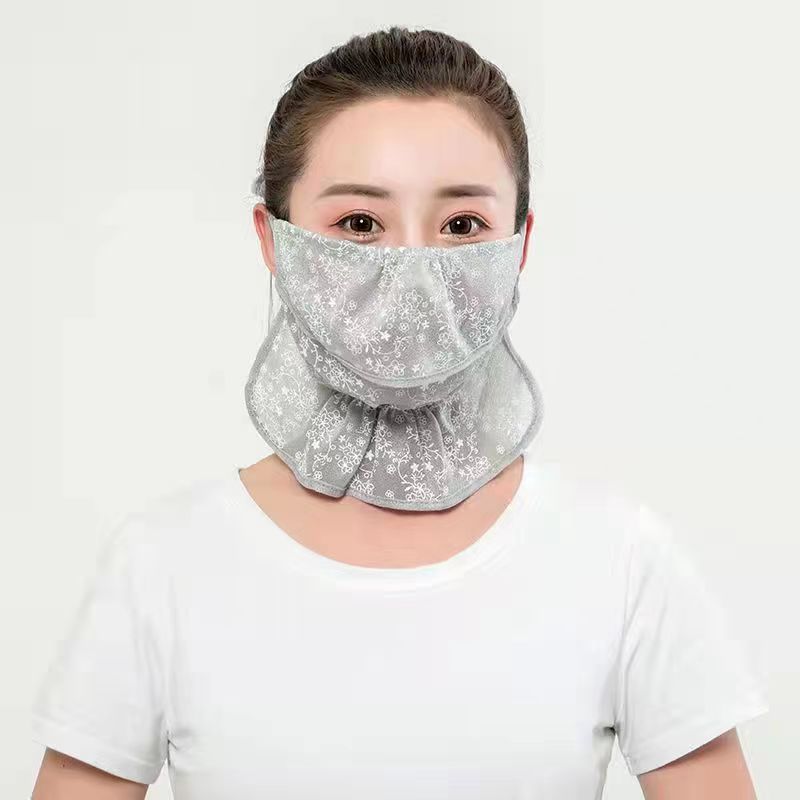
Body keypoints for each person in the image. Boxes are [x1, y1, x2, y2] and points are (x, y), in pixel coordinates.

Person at [30, 25, 769, 800]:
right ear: (274, 241)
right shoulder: (162, 565)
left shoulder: (620, 559)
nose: (413, 271)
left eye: (462, 226)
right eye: (358, 224)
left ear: (519, 244)